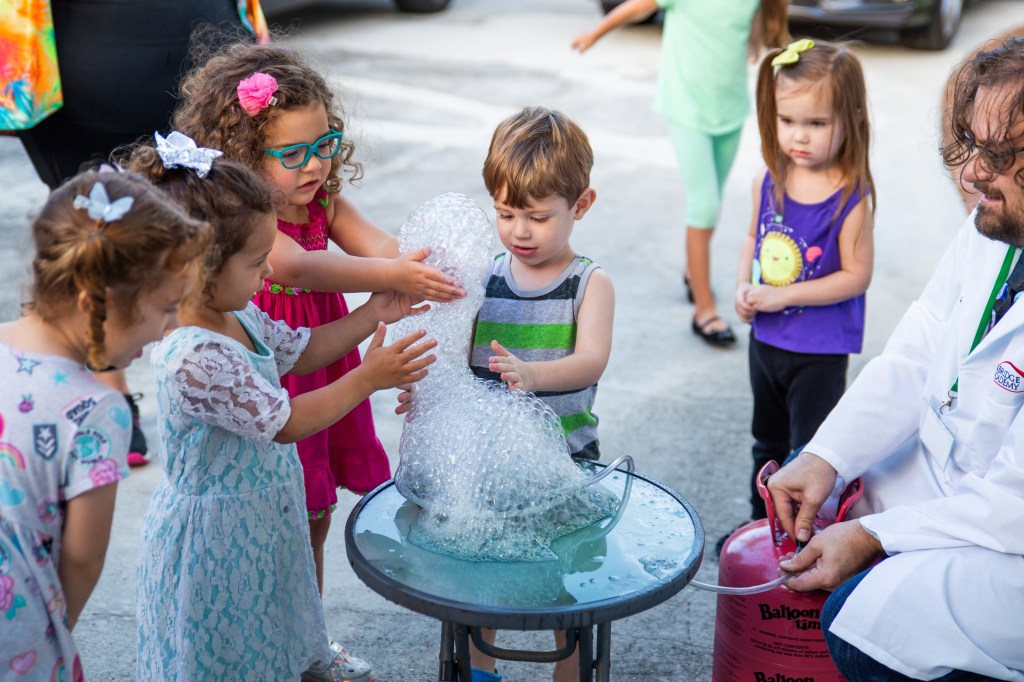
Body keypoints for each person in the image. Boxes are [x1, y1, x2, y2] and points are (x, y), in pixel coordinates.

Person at [124, 133, 436, 681]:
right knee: (228, 647)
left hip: (258, 517)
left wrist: (374, 312)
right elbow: (285, 423)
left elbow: (303, 350)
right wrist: (366, 378)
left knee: (269, 621)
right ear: (198, 270)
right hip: (214, 542)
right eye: (256, 263)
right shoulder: (194, 358)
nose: (268, 274)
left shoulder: (236, 316)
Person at [172, 42, 465, 620]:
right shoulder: (245, 218)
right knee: (280, 505)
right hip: (273, 366)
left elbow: (382, 247)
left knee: (315, 507)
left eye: (325, 145)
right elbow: (296, 266)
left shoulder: (322, 201)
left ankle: (308, 632)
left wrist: (425, 264)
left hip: (324, 350)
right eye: (294, 153)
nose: (315, 165)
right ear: (243, 157)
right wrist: (392, 274)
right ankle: (270, 629)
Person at [768, 37, 1024, 682]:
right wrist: (826, 455)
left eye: (998, 155)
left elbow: (1013, 507)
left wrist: (874, 538)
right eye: (967, 144)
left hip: (1011, 540)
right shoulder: (991, 231)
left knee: (865, 626)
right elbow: (922, 344)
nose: (969, 175)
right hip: (960, 494)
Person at [396, 106, 614, 682]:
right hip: (489, 467)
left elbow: (592, 360)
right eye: (506, 213)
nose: (520, 231)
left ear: (581, 206)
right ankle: (482, 673)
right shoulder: (485, 277)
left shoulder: (588, 283)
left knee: (564, 595)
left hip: (566, 462)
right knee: (483, 587)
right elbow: (455, 365)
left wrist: (534, 376)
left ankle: (570, 673)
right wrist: (426, 399)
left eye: (538, 217)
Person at [13, 0, 266, 467]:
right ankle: (118, 382)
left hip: (162, 47)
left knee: (199, 218)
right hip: (97, 59)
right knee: (100, 223)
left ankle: (212, 372)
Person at [0, 170, 209, 680]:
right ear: (104, 303)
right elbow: (83, 558)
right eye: (164, 308)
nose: (172, 326)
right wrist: (53, 629)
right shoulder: (98, 409)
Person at [571, 0, 788, 346]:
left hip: (730, 110)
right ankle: (704, 310)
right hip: (687, 107)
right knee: (702, 207)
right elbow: (636, 7)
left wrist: (752, 41)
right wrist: (595, 33)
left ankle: (693, 270)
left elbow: (757, 19)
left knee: (712, 202)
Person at [732, 40, 874, 527]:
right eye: (788, 120)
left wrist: (784, 295)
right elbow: (754, 238)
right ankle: (757, 527)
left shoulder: (851, 197)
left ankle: (799, 535)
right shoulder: (768, 179)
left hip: (819, 353)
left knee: (807, 452)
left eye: (817, 123)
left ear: (851, 118)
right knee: (765, 443)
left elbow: (857, 276)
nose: (800, 136)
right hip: (766, 341)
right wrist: (742, 288)